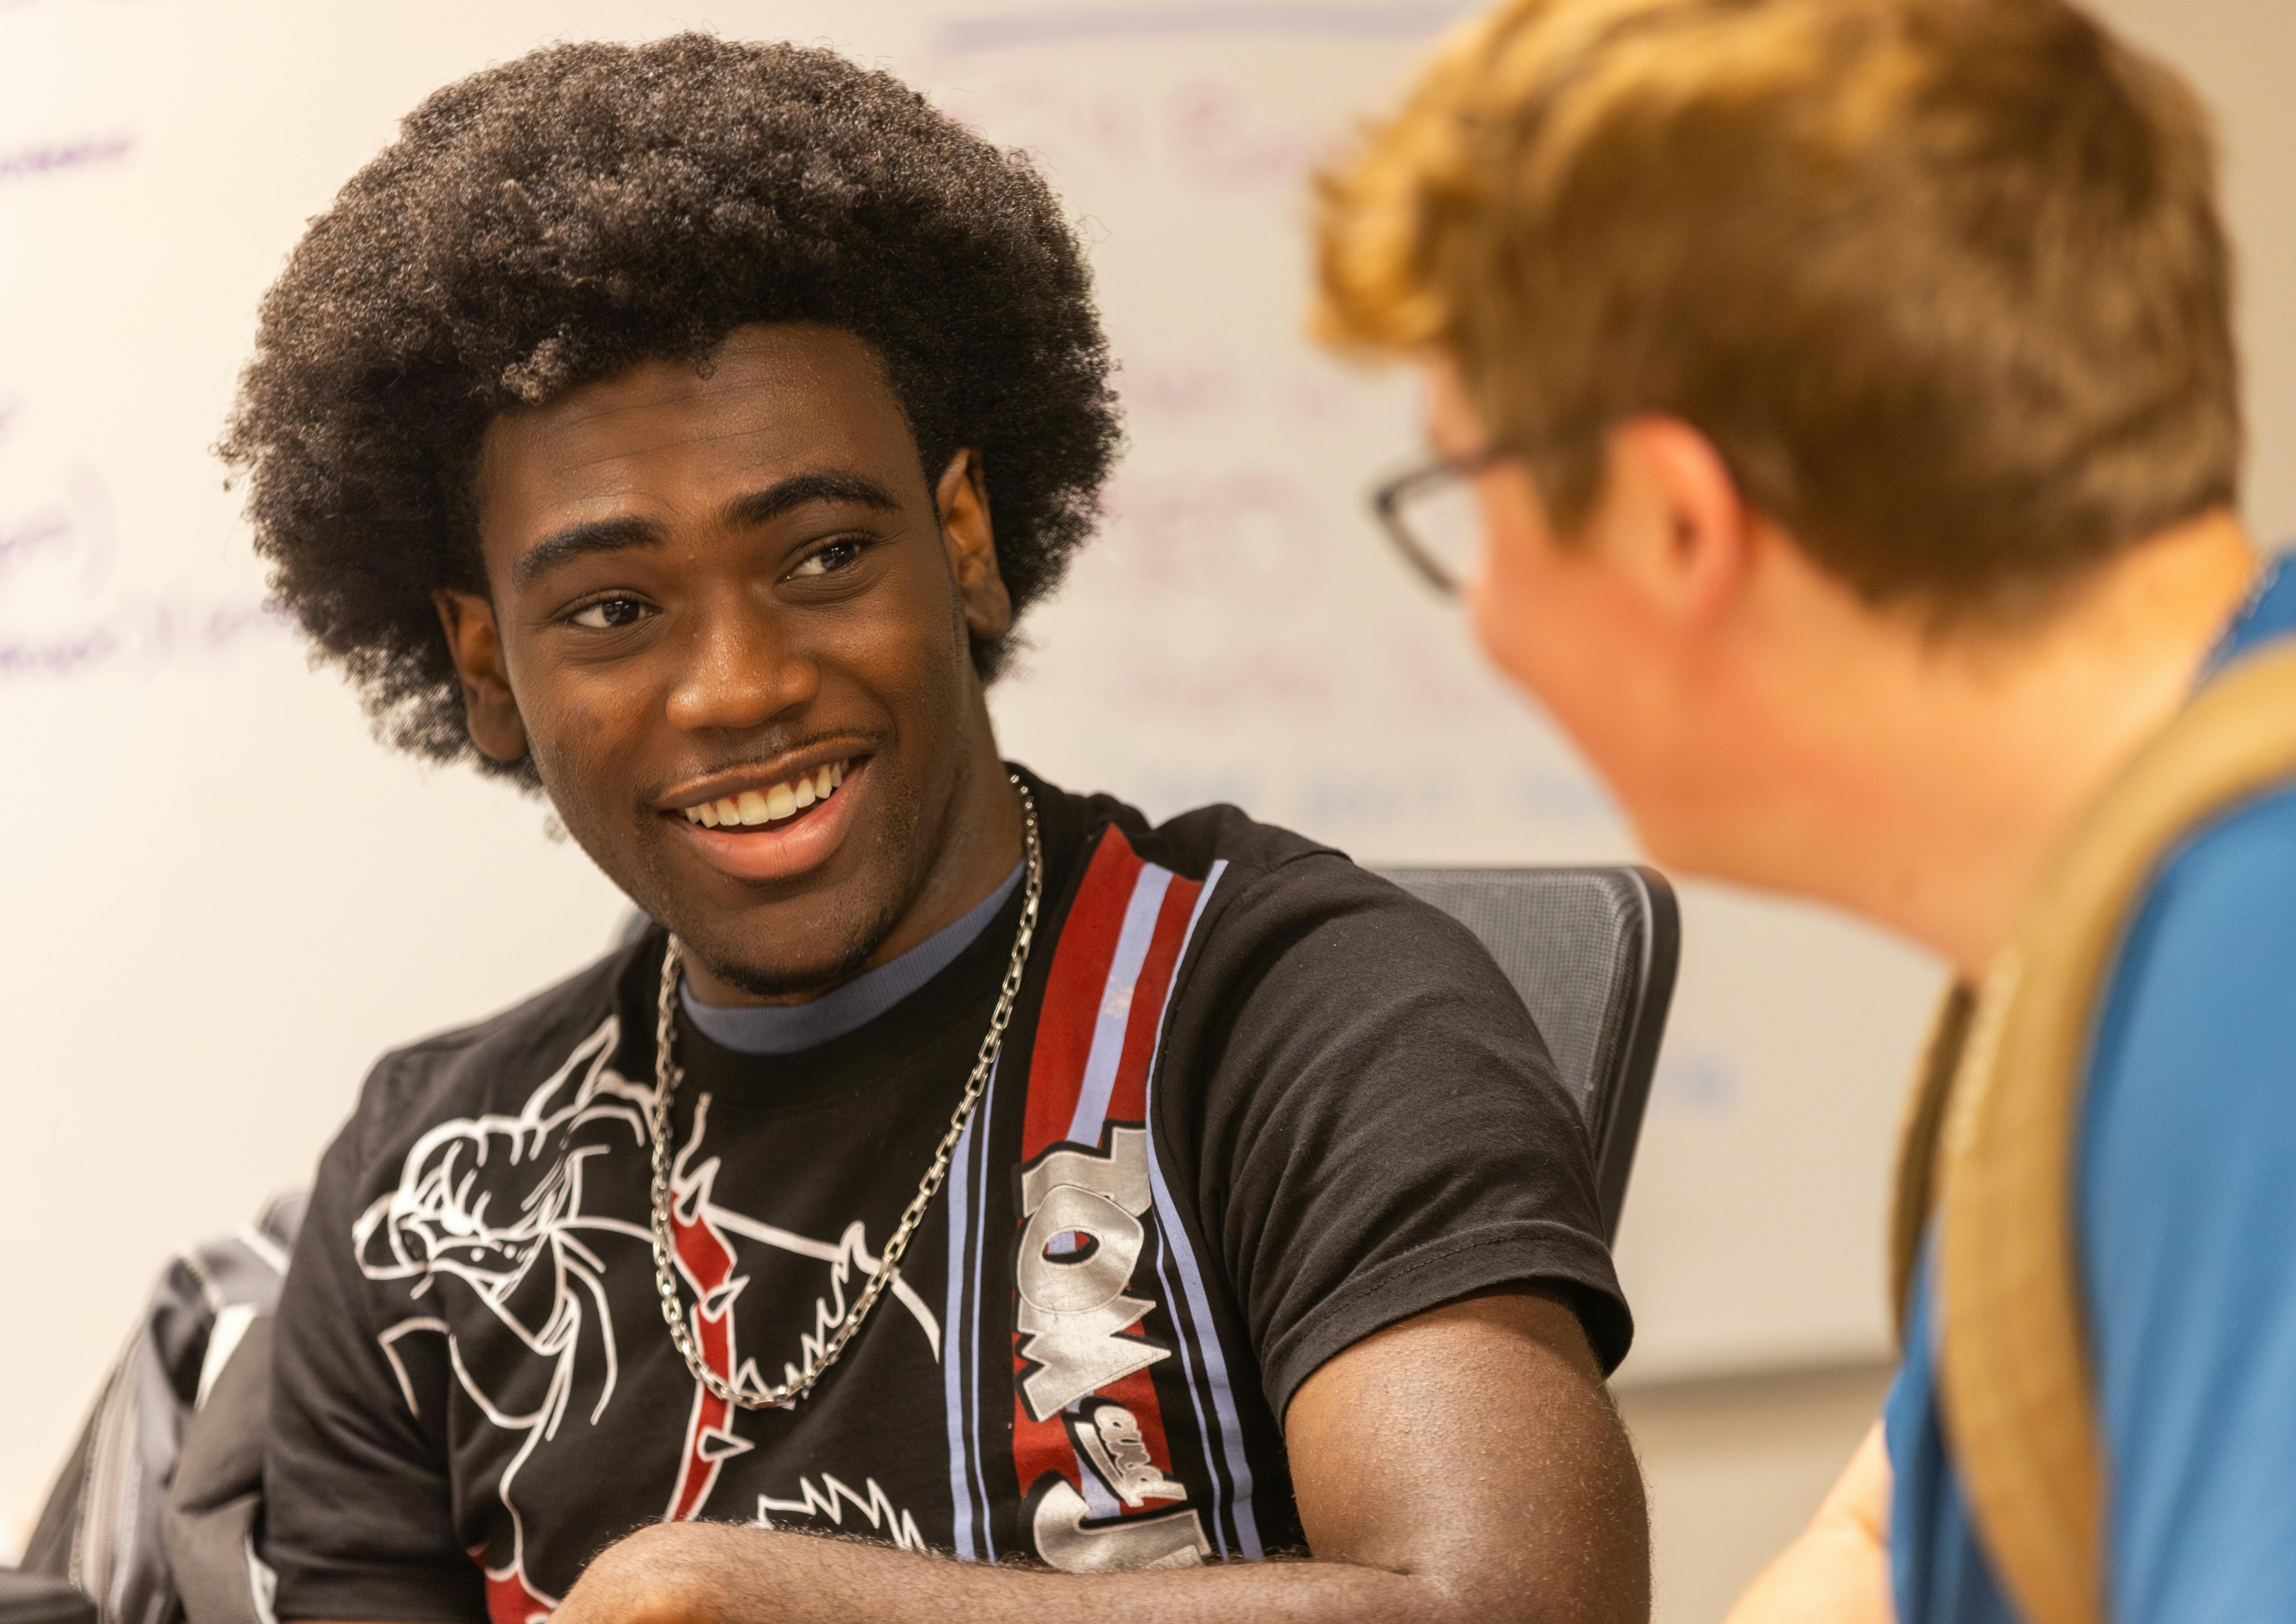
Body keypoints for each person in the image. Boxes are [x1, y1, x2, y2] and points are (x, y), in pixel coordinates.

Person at [228, 34, 1649, 1624]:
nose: (741, 684)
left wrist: (797, 1603)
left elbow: (1514, 1607)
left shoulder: (1304, 1012)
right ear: (489, 666)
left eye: (825, 554)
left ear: (963, 541)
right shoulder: (426, 1191)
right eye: (614, 609)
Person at [1314, 0, 2296, 1620]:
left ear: (1672, 523)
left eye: (1466, 506)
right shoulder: (2114, 919)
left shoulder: (2250, 961)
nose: (1481, 613)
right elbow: (1882, 1552)